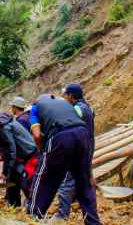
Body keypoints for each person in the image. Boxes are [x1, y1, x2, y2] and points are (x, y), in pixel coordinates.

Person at [28, 94, 100, 225]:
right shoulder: (65, 103)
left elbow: (37, 135)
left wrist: (44, 151)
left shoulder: (35, 107)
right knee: (83, 182)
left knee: (44, 177)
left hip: (60, 135)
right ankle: (93, 222)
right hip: (82, 135)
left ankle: (32, 216)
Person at [0, 110, 38, 207]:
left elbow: (10, 150)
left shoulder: (1, 127)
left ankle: (35, 211)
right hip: (18, 157)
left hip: (28, 157)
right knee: (11, 183)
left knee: (26, 185)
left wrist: (5, 172)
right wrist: (4, 169)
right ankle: (14, 208)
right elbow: (5, 151)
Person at [56, 84, 96, 221]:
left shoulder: (77, 109)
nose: (64, 98)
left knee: (66, 184)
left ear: (71, 96)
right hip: (88, 147)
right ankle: (92, 220)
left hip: (77, 151)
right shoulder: (88, 107)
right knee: (84, 185)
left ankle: (62, 216)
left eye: (65, 95)